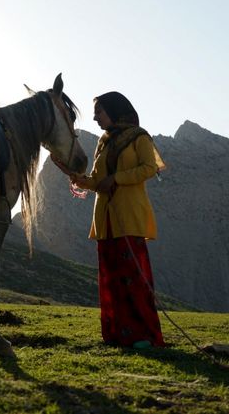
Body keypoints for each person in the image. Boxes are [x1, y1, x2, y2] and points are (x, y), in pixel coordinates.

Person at [70, 91, 166, 348]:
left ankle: (143, 335)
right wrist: (81, 180)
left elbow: (149, 168)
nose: (95, 118)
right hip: (106, 219)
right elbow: (98, 180)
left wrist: (117, 179)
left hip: (129, 216)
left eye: (99, 112)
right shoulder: (103, 141)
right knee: (111, 279)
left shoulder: (139, 137)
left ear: (114, 110)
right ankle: (117, 334)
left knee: (133, 278)